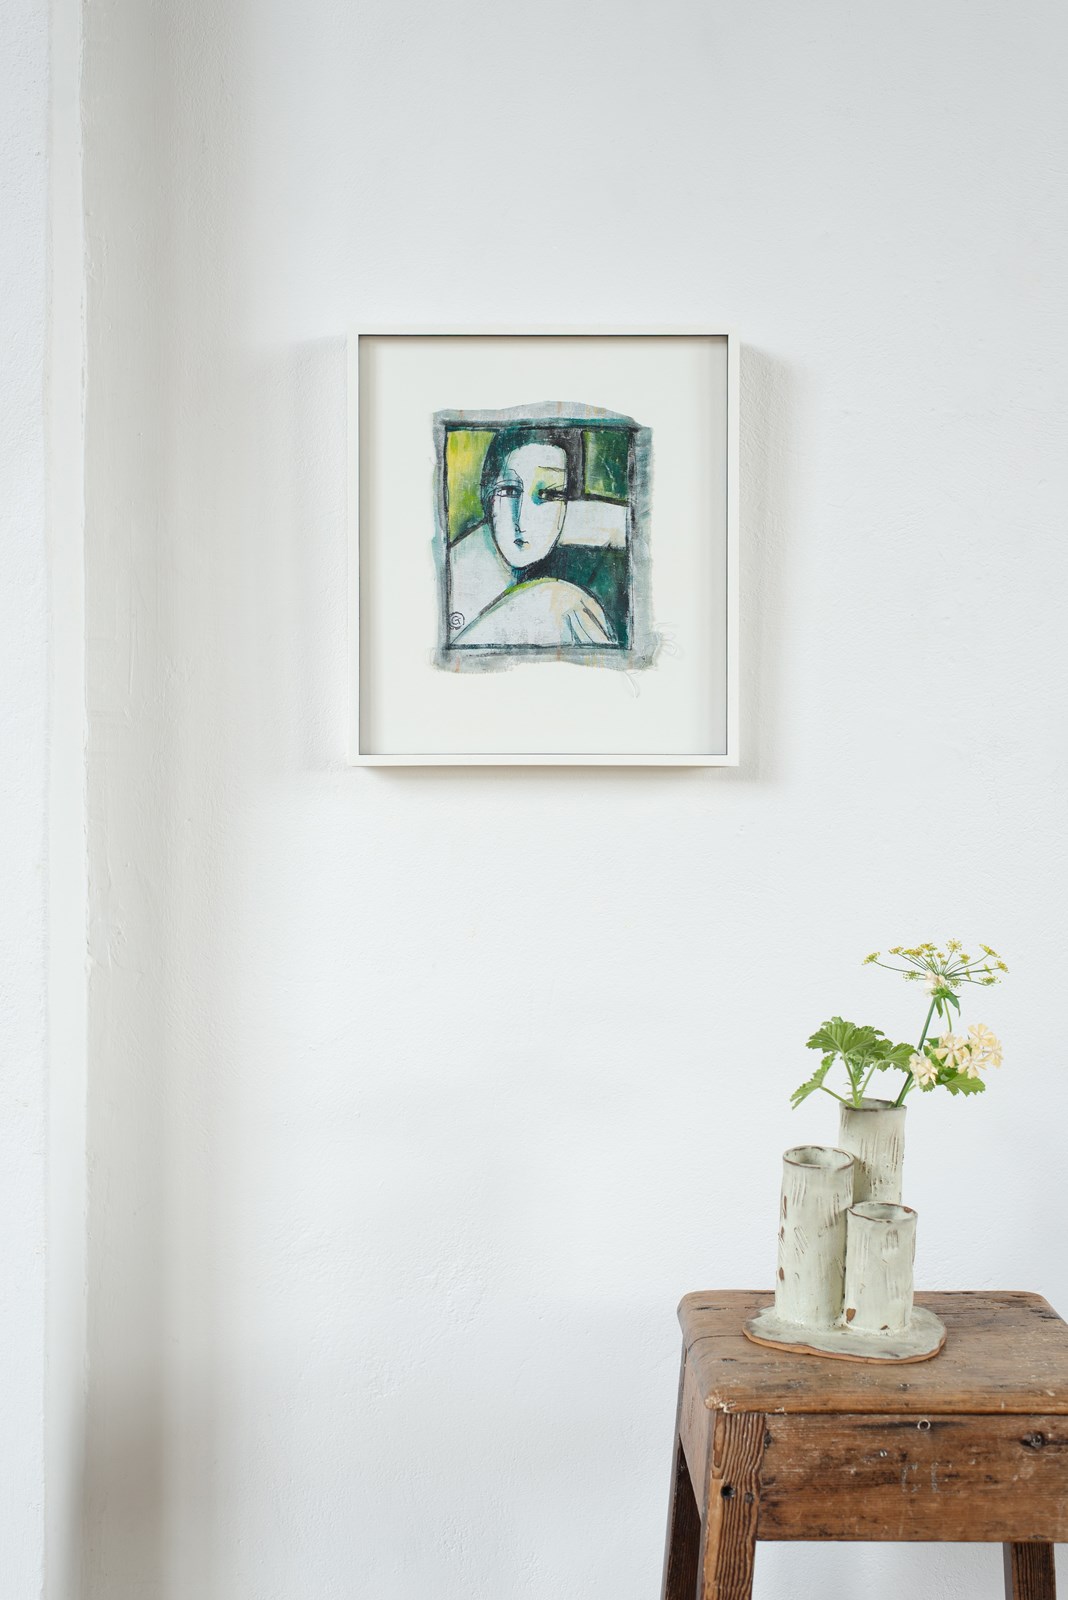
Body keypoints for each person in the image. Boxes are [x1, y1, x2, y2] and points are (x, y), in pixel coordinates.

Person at [447, 427, 616, 648]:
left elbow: (612, 521)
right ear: (486, 495)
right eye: (509, 491)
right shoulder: (458, 576)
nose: (522, 520)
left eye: (550, 494)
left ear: (568, 503)